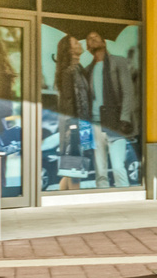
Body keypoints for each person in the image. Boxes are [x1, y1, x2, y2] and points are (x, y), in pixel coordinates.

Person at [84, 29, 139, 188]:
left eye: (96, 37)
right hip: (95, 123)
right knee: (100, 169)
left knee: (117, 166)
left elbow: (128, 92)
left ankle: (124, 196)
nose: (93, 40)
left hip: (115, 121)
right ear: (88, 47)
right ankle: (102, 196)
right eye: (89, 39)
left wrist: (125, 118)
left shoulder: (118, 62)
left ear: (104, 42)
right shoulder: (88, 69)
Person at [50, 33, 89, 188]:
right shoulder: (69, 72)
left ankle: (63, 197)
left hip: (81, 123)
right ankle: (75, 200)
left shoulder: (78, 69)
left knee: (72, 167)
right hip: (74, 124)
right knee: (75, 167)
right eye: (75, 42)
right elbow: (67, 102)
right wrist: (72, 127)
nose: (79, 44)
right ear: (69, 50)